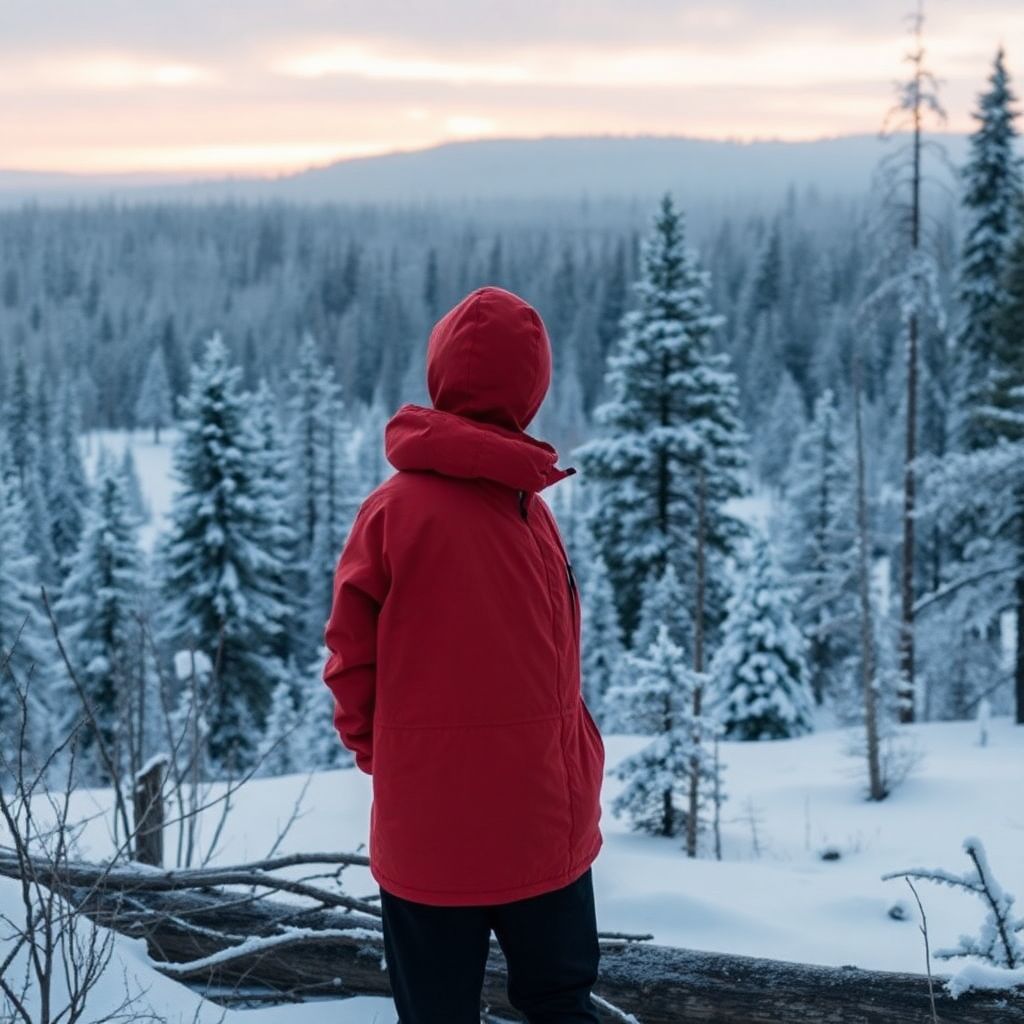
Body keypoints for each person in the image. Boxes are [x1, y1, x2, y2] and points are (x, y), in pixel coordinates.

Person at [322, 285, 606, 1023]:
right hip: (544, 827)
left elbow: (350, 662)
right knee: (558, 1005)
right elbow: (558, 673)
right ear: (533, 392)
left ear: (439, 372)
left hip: (426, 839)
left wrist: (391, 755)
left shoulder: (389, 513)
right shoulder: (531, 515)